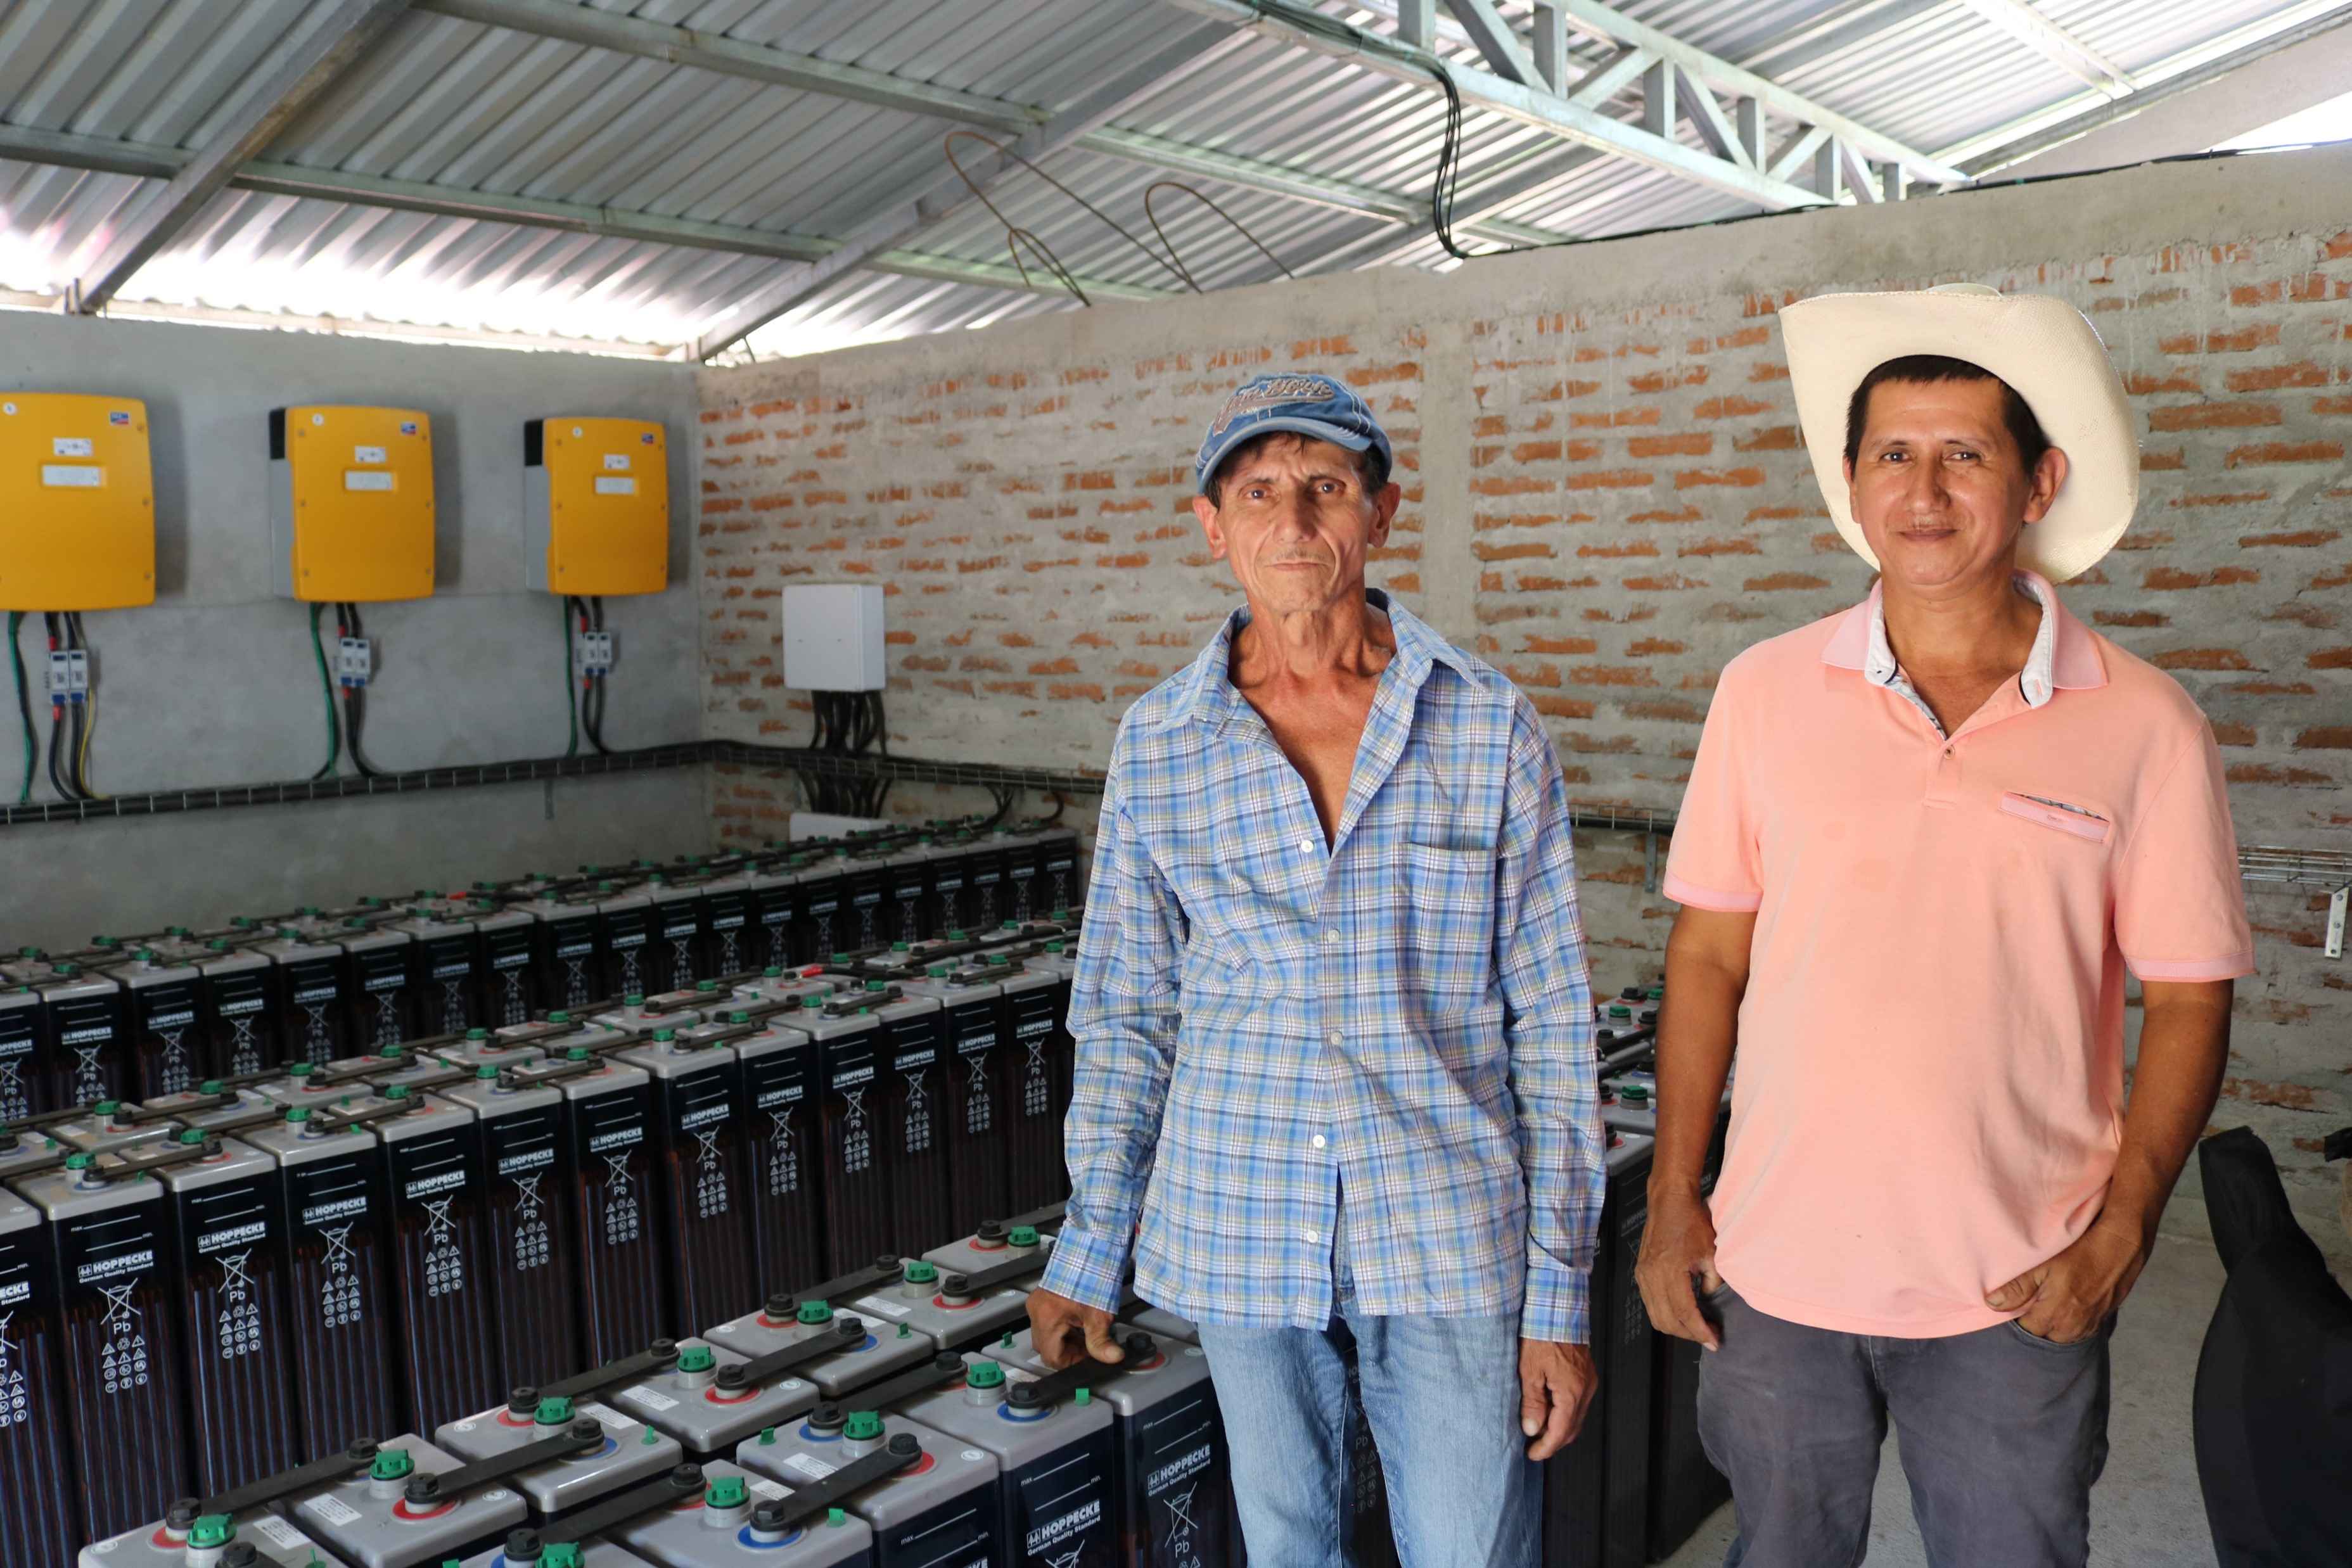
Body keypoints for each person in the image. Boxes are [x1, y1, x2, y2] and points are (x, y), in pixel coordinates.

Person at [1637, 284, 2255, 1568]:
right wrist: (1668, 1196)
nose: (1922, 492)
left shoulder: (2145, 725)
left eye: (1963, 454)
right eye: (1890, 456)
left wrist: (2124, 1226)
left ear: (2037, 482)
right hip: (1773, 1269)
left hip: (2014, 1281)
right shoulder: (1760, 694)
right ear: (1852, 484)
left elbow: (2190, 994)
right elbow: (1705, 952)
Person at [1026, 371, 1607, 1568]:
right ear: (1213, 526)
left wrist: (1560, 1294)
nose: (1292, 522)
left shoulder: (1490, 725)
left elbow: (1553, 1027)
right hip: (1241, 1224)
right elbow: (1130, 1009)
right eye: (1258, 491)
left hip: (1445, 1231)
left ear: (1381, 513)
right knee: (1291, 1550)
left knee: (1470, 1552)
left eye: (1326, 488)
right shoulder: (1161, 741)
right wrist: (1091, 1245)